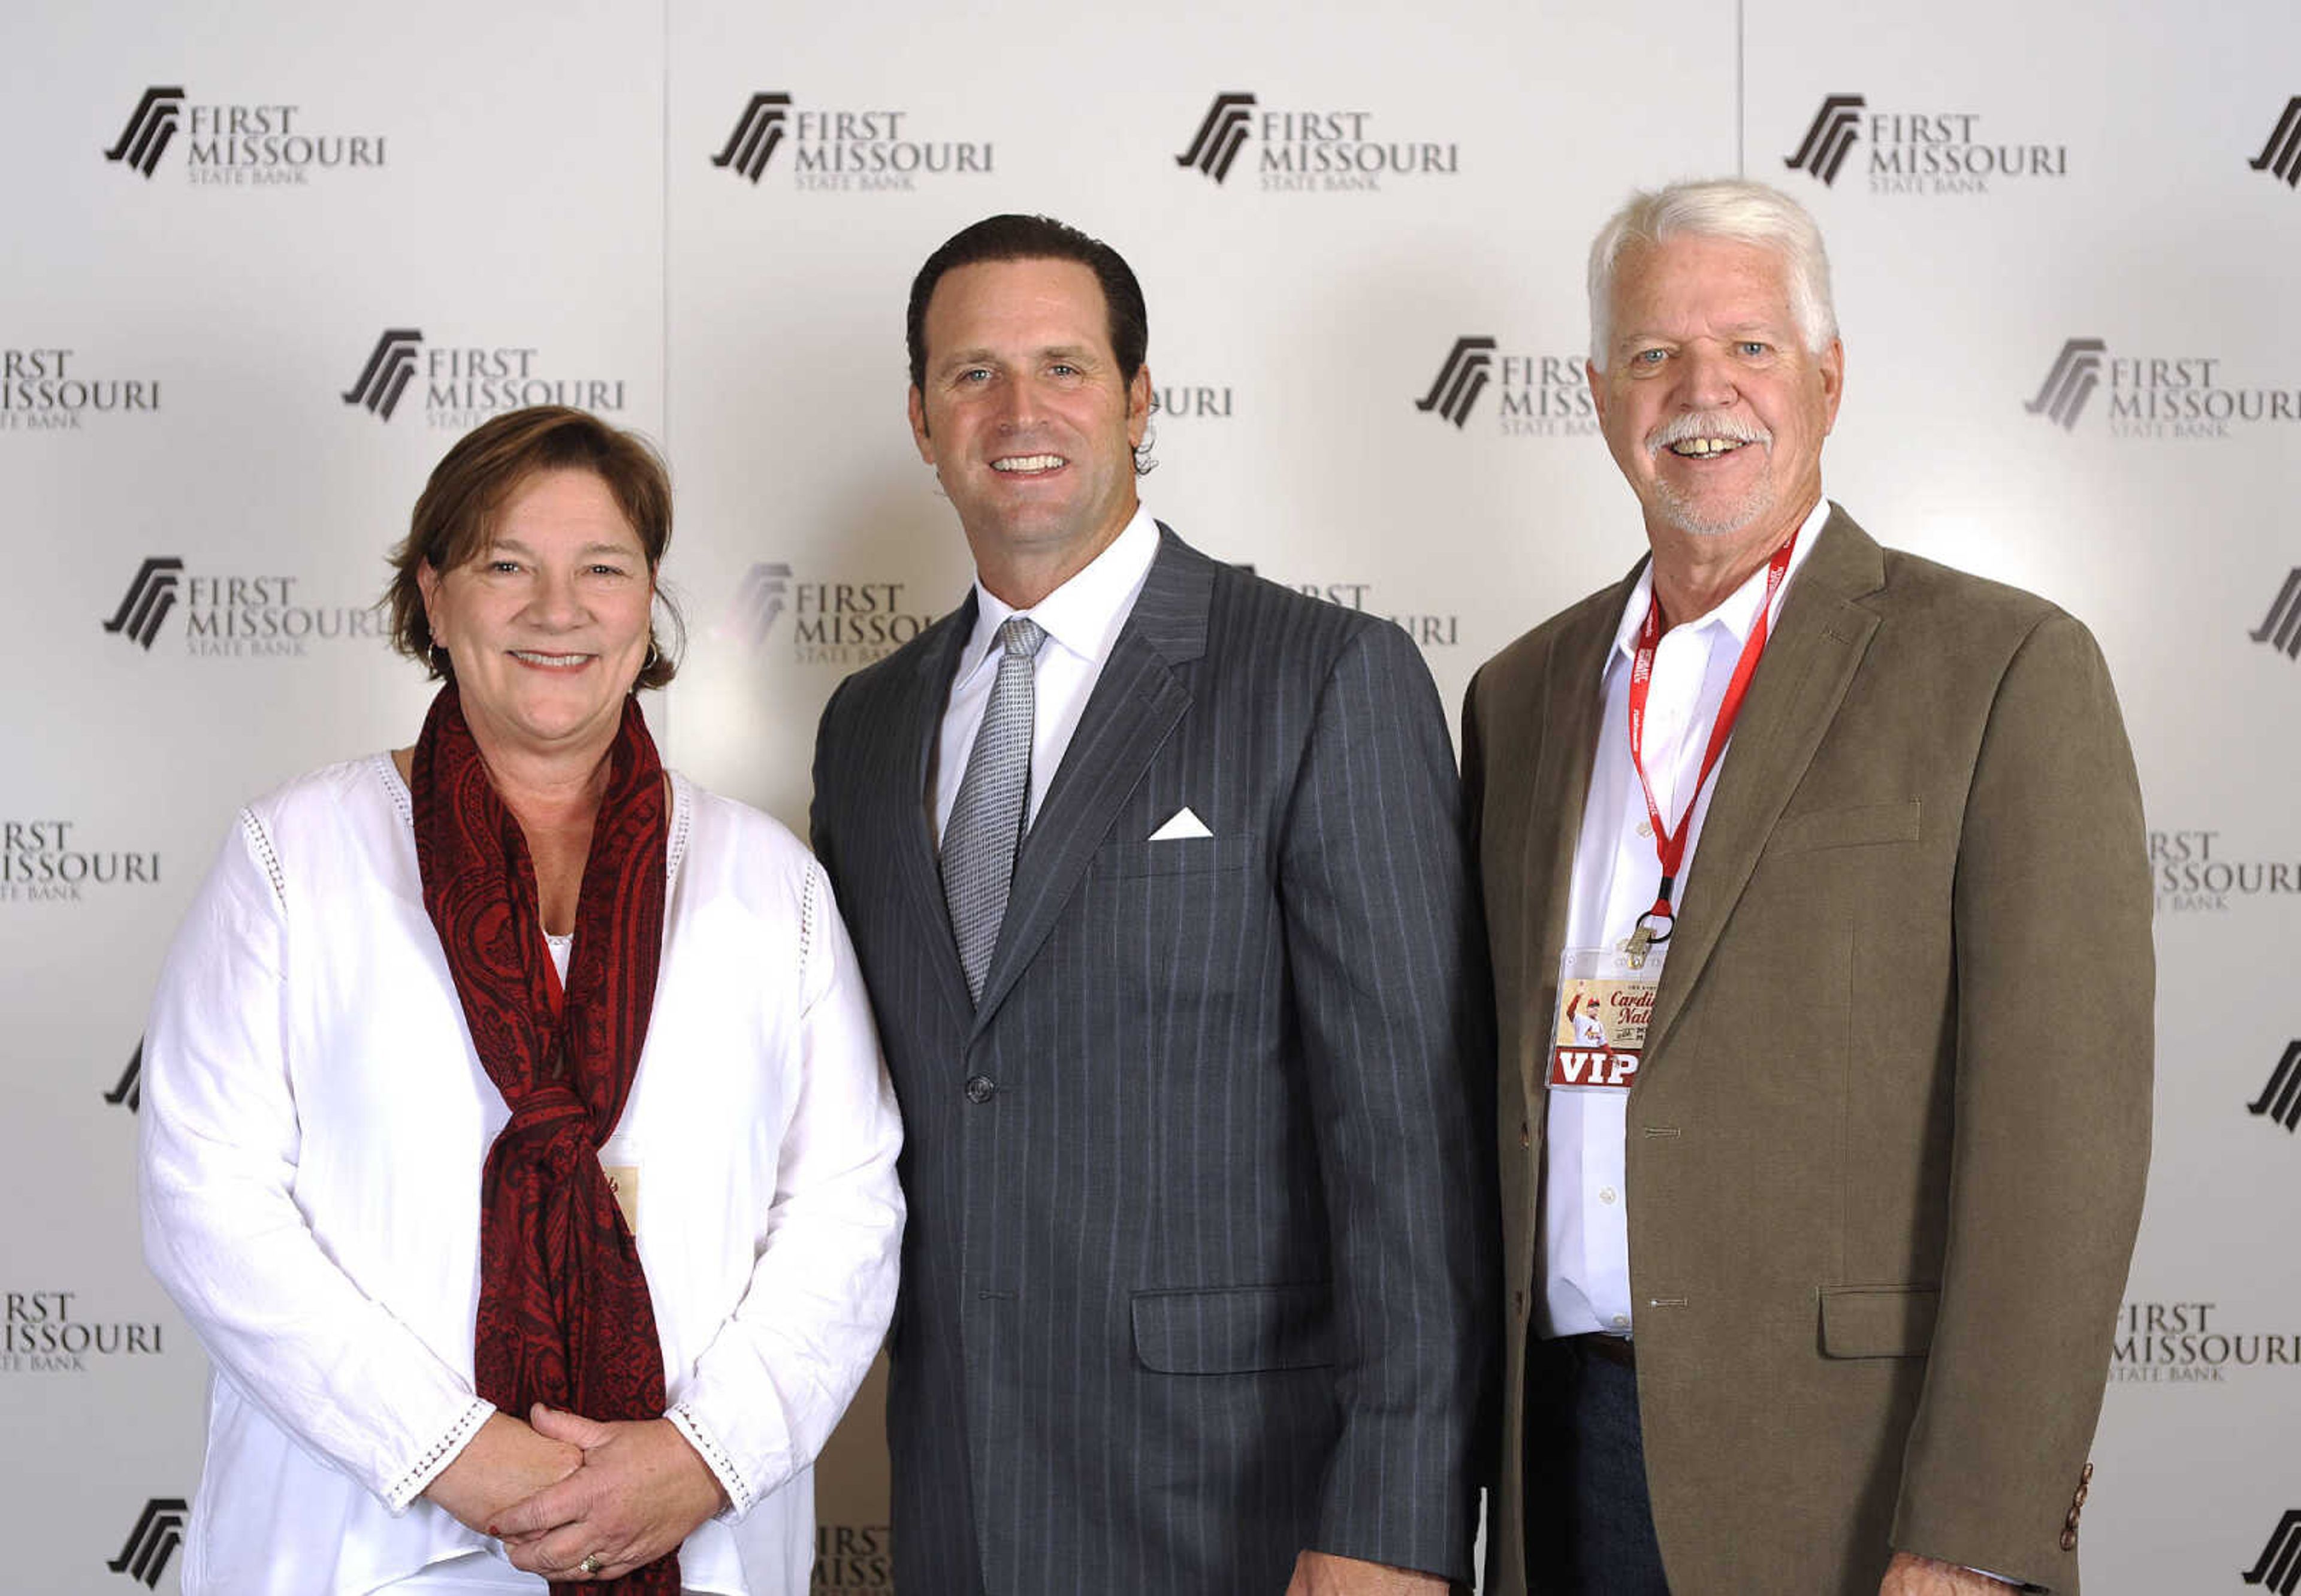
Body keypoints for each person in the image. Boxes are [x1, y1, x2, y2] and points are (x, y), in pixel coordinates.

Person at [1462, 179, 2152, 1595]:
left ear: (1829, 379)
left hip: (1855, 1479)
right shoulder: (1519, 696)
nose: (1701, 391)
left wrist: (1976, 1528)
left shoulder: (2004, 668)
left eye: (1751, 348)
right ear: (1601, 399)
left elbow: (2062, 1149)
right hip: (1561, 1465)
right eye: (1655, 355)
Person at [809, 214, 1496, 1596]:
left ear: (1137, 398)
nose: (1020, 412)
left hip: (1246, 1511)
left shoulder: (1320, 678)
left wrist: (1393, 1522)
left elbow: (1413, 1145)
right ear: (922, 418)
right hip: (958, 1498)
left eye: (1064, 366)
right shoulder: (868, 729)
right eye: (973, 375)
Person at [140, 406, 904, 1595]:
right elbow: (209, 1203)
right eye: (507, 566)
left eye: (603, 569)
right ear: (434, 598)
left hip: (692, 1541)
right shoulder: (295, 860)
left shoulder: (770, 884)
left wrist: (703, 1458)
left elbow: (847, 1213)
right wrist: (457, 1454)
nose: (558, 610)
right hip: (359, 1544)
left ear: (645, 604)